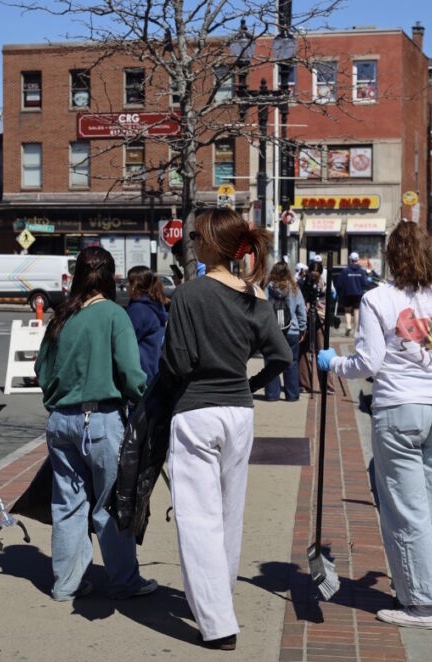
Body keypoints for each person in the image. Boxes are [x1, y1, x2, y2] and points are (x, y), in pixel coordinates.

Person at [316, 221, 432, 630]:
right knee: (425, 508)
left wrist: (333, 363)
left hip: (399, 410)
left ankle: (422, 606)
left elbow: (368, 363)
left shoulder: (377, 300)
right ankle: (412, 586)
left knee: (406, 511)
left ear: (391, 257)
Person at [161, 208, 292, 650]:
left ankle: (217, 622)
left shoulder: (189, 295)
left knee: (198, 519)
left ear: (212, 244)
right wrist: (251, 383)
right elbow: (282, 356)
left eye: (197, 237)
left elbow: (178, 363)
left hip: (196, 410)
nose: (192, 243)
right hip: (239, 411)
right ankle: (220, 596)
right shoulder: (255, 296)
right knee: (229, 512)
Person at [33, 246, 156, 602]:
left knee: (68, 505)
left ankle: (66, 583)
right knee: (111, 505)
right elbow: (132, 374)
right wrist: (145, 401)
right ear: (110, 277)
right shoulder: (115, 315)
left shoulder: (62, 316)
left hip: (61, 421)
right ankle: (124, 580)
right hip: (101, 420)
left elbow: (42, 370)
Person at [264, 261, 307, 402]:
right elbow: (301, 310)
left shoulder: (268, 288)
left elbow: (261, 308)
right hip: (291, 330)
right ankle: (292, 394)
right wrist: (302, 328)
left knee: (271, 362)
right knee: (291, 362)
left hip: (272, 331)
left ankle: (272, 394)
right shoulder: (294, 288)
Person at [124, 265, 169, 384]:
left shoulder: (138, 310)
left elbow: (126, 342)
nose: (126, 285)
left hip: (142, 373)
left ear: (135, 285)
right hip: (154, 371)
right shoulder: (155, 305)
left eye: (129, 281)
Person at [299, 261, 335, 396]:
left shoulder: (324, 284)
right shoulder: (302, 283)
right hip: (306, 319)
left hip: (320, 319)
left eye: (316, 276)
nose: (313, 278)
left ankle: (327, 386)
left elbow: (328, 301)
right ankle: (304, 384)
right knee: (304, 351)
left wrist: (320, 305)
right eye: (311, 275)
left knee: (322, 351)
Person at [336, 251, 371, 336]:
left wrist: (338, 292)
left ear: (350, 260)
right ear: (357, 260)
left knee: (347, 311)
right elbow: (365, 283)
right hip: (358, 294)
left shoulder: (345, 271)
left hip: (347, 294)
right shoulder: (361, 271)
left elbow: (339, 283)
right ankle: (355, 331)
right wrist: (369, 279)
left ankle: (348, 325)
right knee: (356, 311)